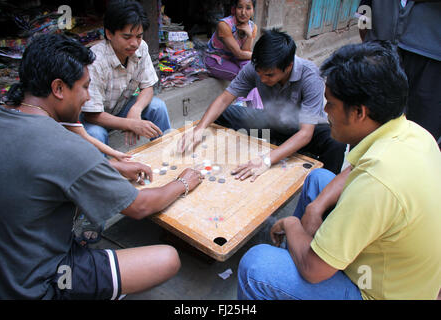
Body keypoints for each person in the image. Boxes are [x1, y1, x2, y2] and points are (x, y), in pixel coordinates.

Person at [0, 33, 203, 300]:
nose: (87, 97)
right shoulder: (65, 146)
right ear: (58, 88)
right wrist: (183, 182)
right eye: (84, 87)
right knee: (167, 258)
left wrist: (112, 166)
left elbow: (39, 167)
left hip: (1, 264)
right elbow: (140, 207)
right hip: (35, 284)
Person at [237, 41, 441, 300]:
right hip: (399, 270)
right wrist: (315, 206)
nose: (325, 110)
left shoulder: (376, 183)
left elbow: (314, 270)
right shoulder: (414, 133)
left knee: (256, 265)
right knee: (318, 179)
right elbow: (355, 167)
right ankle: (292, 263)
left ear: (359, 112)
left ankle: (290, 264)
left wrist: (291, 224)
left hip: (373, 292)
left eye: (331, 103)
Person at [178, 29, 346, 178]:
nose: (263, 79)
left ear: (288, 66)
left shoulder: (310, 76)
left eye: (270, 75)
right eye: (260, 73)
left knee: (336, 141)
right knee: (225, 112)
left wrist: (266, 160)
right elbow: (224, 98)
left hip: (305, 130)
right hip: (272, 122)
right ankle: (217, 158)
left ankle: (324, 195)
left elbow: (305, 134)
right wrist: (200, 128)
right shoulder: (254, 68)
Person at [81, 0, 171, 148]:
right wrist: (130, 123)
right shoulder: (95, 61)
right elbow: (92, 114)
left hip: (120, 108)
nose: (134, 43)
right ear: (109, 34)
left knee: (157, 107)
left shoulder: (141, 48)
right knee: (96, 134)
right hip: (96, 118)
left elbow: (148, 87)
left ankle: (165, 154)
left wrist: (136, 110)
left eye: (139, 36)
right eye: (127, 37)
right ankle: (104, 170)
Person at [358, 0, 441, 147]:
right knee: (367, 122)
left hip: (429, 60)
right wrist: (368, 44)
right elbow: (363, 12)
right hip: (379, 53)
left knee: (420, 130)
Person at [205, 0, 262, 109]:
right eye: (240, 7)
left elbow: (246, 53)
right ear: (234, 9)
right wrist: (259, 56)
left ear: (253, 11)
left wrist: (249, 36)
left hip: (234, 60)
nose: (243, 12)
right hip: (215, 60)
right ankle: (249, 108)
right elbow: (239, 54)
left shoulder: (252, 27)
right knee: (246, 76)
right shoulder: (225, 25)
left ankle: (257, 112)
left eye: (248, 8)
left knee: (251, 71)